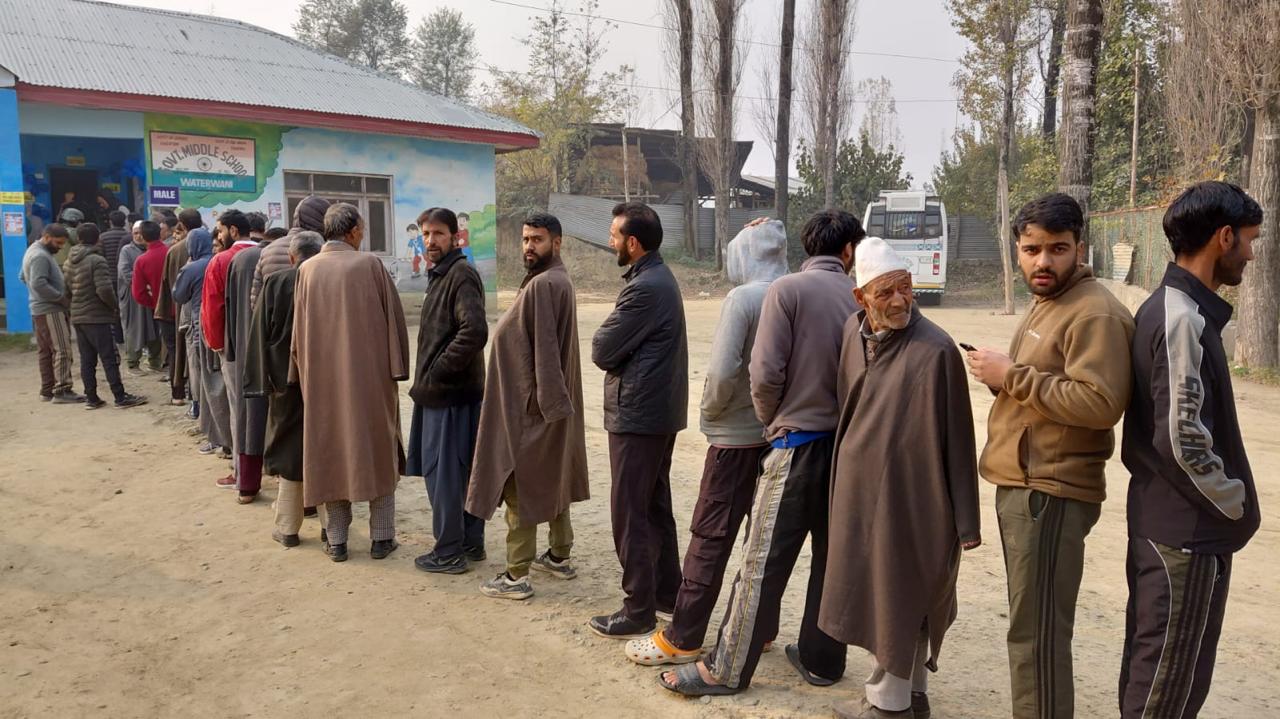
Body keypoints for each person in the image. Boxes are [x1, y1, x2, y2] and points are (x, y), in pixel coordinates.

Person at [660, 209, 861, 697]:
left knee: (761, 563)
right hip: (845, 451)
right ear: (850, 251)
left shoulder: (786, 291)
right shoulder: (859, 297)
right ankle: (821, 659)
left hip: (796, 446)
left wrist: (773, 423)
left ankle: (724, 670)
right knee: (829, 560)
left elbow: (763, 374)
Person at [965, 193, 1135, 719]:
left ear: (1080, 248)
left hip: (1051, 493)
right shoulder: (1052, 302)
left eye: (1057, 249)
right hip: (1027, 484)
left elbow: (1100, 403)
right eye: (1031, 249)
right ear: (1016, 250)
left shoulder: (1096, 313)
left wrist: (1010, 376)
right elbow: (1052, 385)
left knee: (1036, 636)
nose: (1043, 261)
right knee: (1029, 630)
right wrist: (1006, 380)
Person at [1118, 181, 1263, 718]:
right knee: (1164, 693)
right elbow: (1183, 441)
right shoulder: (1180, 318)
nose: (1250, 253)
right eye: (1249, 240)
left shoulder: (1176, 308)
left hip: (1177, 531)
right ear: (1224, 238)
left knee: (1159, 680)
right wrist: (1235, 503)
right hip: (1186, 539)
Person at [822, 238, 982, 719]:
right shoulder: (853, 336)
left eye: (906, 289)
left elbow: (959, 437)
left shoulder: (935, 351)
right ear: (860, 299)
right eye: (886, 292)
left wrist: (966, 523)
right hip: (860, 496)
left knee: (905, 596)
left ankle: (886, 706)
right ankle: (910, 698)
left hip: (916, 501)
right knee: (876, 597)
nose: (898, 301)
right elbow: (848, 408)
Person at [625, 219, 787, 665]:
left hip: (736, 437)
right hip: (782, 438)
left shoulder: (744, 298)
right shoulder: (795, 291)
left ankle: (683, 635)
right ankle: (760, 628)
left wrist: (712, 412)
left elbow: (721, 372)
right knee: (763, 539)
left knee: (710, 536)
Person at [466, 212, 588, 598]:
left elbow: (547, 357)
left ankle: (516, 576)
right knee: (553, 480)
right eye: (524, 240)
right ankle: (558, 555)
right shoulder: (553, 281)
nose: (529, 246)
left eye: (537, 239)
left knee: (522, 486)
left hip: (534, 409)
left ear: (557, 241)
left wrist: (543, 411)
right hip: (548, 406)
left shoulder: (545, 285)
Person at [588, 201, 688, 639]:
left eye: (614, 235)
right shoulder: (658, 280)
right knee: (654, 507)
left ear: (633, 242)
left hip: (639, 415)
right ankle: (666, 594)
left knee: (631, 511)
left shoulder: (646, 287)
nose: (610, 241)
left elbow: (602, 349)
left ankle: (638, 609)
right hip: (656, 412)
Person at [291, 203, 409, 563]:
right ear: (355, 231)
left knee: (331, 455)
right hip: (370, 383)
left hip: (322, 384)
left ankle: (338, 541)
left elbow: (298, 337)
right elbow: (395, 324)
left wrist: (302, 375)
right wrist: (398, 368)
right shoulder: (370, 265)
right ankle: (381, 539)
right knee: (377, 453)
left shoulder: (307, 270)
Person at [407, 207, 489, 574]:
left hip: (450, 395)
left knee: (444, 475)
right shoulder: (441, 275)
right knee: (460, 472)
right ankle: (469, 544)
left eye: (438, 233)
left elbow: (474, 331)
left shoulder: (461, 274)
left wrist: (438, 370)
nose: (430, 241)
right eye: (425, 234)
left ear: (455, 237)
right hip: (447, 393)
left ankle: (449, 551)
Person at [245, 230, 325, 547]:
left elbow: (259, 333)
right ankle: (332, 531)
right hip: (325, 380)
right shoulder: (327, 282)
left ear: (292, 257)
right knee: (325, 449)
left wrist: (257, 381)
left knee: (290, 449)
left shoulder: (276, 283)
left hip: (284, 381)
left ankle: (288, 529)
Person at [201, 209, 257, 491]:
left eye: (220, 229)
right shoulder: (270, 254)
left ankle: (240, 471)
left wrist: (217, 345)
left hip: (234, 348)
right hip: (268, 346)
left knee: (239, 411)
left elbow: (213, 308)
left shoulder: (221, 261)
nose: (217, 235)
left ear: (233, 231)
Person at [62, 223, 146, 410]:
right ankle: (120, 396)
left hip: (78, 316)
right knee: (109, 358)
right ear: (97, 238)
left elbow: (65, 291)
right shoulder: (96, 261)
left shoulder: (69, 261)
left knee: (87, 359)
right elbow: (104, 289)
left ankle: (91, 397)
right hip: (97, 316)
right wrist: (114, 306)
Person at [222, 212, 271, 504]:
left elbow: (225, 309)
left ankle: (248, 485)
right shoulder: (302, 254)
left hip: (245, 350)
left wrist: (230, 349)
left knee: (248, 417)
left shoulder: (235, 261)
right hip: (283, 351)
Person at [174, 227, 232, 460]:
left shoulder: (192, 267)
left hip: (202, 331)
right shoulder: (221, 260)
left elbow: (178, 295)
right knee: (224, 388)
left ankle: (218, 439)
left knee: (210, 388)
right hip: (225, 330)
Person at [20, 223, 82, 403]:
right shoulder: (40, 255)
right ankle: (62, 389)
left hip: (40, 308)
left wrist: (37, 294)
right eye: (58, 243)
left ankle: (47, 390)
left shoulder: (33, 250)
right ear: (46, 237)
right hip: (50, 310)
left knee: (46, 351)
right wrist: (60, 298)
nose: (60, 246)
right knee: (62, 348)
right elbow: (38, 283)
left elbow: (23, 277)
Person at [156, 208, 203, 407]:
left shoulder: (175, 250)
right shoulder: (208, 246)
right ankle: (195, 397)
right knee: (193, 355)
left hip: (175, 310)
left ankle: (178, 394)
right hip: (196, 311)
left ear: (181, 225)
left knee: (178, 353)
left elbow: (167, 284)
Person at [251, 195, 330, 310]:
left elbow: (257, 301)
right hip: (311, 323)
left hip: (277, 324)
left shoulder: (269, 249)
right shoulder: (323, 249)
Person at [118, 221, 161, 375]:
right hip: (134, 298)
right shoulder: (127, 250)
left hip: (151, 296)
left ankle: (155, 361)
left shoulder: (152, 249)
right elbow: (125, 272)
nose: (137, 236)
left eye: (140, 233)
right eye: (135, 233)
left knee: (155, 328)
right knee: (135, 329)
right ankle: (133, 363)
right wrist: (143, 284)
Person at [130, 220, 170, 381]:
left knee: (167, 341)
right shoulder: (171, 252)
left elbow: (138, 293)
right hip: (180, 305)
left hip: (159, 308)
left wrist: (153, 303)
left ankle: (174, 380)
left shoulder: (142, 260)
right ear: (160, 234)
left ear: (144, 237)